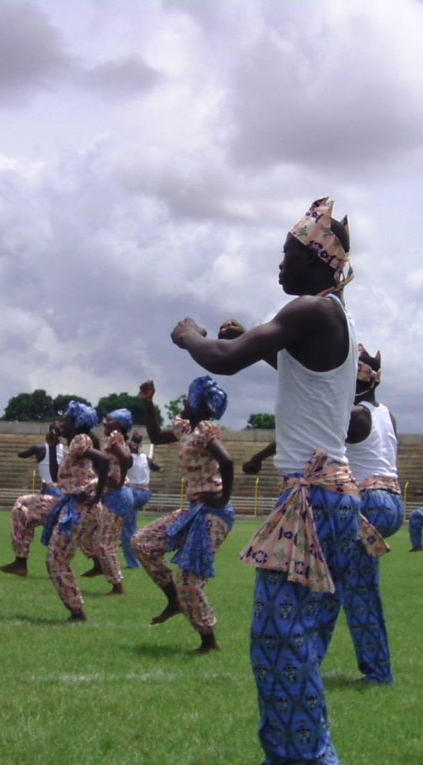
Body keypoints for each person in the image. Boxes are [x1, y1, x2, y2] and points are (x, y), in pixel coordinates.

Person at [171, 197, 357, 762]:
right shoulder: (331, 317)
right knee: (293, 644)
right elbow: (307, 382)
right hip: (329, 496)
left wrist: (191, 336)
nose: (279, 265)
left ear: (318, 259)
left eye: (287, 254)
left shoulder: (310, 310)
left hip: (312, 498)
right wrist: (259, 343)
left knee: (281, 645)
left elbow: (223, 357)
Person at [133, 377, 234, 653]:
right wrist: (148, 402)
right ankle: (174, 601)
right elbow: (155, 436)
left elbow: (227, 460)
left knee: (189, 581)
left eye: (190, 399)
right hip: (194, 509)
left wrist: (222, 497)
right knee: (142, 543)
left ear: (200, 403)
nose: (185, 402)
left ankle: (209, 641)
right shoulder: (187, 428)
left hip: (213, 513)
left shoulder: (205, 431)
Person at [342, 345, 403, 685]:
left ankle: (378, 671)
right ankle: (378, 669)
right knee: (362, 584)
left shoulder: (354, 415)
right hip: (393, 501)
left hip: (369, 501)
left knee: (348, 588)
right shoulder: (386, 414)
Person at [39, 401, 110, 622]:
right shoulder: (74, 445)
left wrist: (98, 493)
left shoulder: (80, 440)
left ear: (78, 422)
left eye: (68, 419)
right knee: (59, 558)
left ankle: (77, 612)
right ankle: (76, 610)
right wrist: (52, 447)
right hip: (75, 504)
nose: (63, 423)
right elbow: (57, 477)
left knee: (56, 559)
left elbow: (105, 460)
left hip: (80, 506)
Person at [0, 428, 65, 577]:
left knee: (21, 509)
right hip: (62, 492)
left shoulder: (40, 448)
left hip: (52, 492)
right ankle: (99, 563)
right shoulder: (67, 451)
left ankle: (21, 562)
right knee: (66, 530)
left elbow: (22, 455)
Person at [78, 409, 132, 594]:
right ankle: (104, 570)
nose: (105, 423)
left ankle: (118, 586)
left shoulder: (114, 436)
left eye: (109, 421)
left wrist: (120, 478)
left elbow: (125, 458)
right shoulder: (120, 438)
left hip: (117, 496)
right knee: (99, 540)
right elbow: (126, 458)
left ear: (118, 424)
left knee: (105, 544)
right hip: (118, 495)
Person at [122, 431, 160, 569]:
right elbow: (156, 467)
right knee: (130, 524)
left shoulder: (128, 458)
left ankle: (134, 562)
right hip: (145, 492)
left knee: (128, 531)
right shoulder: (146, 458)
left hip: (133, 492)